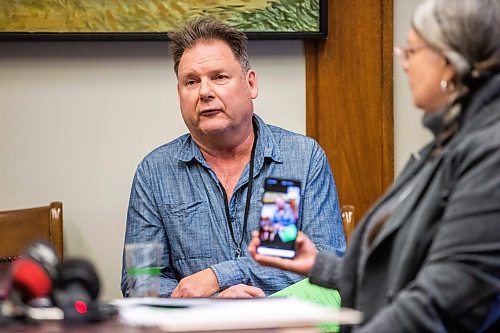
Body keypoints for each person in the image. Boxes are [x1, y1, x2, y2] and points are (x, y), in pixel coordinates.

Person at [249, 0, 500, 331]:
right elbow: (399, 279)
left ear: (449, 62)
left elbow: (445, 295)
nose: (405, 64)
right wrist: (318, 266)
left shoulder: (490, 153)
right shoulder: (443, 146)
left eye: (411, 52)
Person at [121, 16, 346, 298]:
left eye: (219, 77)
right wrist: (215, 302)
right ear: (179, 94)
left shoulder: (299, 159)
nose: (205, 92)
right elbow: (141, 284)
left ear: (250, 84)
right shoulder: (155, 173)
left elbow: (327, 265)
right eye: (191, 82)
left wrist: (218, 277)